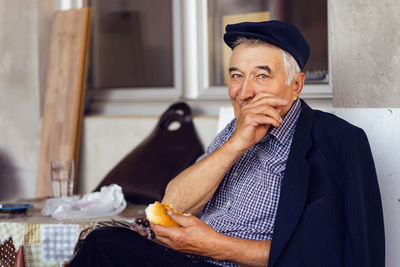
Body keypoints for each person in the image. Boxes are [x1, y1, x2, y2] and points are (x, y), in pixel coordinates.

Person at [70, 20, 385, 267]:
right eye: (236, 76)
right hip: (189, 260)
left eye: (261, 76)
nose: (244, 92)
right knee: (105, 242)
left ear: (295, 85)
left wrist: (216, 246)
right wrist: (236, 144)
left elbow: (326, 255)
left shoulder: (333, 140)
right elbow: (173, 205)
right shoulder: (233, 133)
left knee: (104, 248)